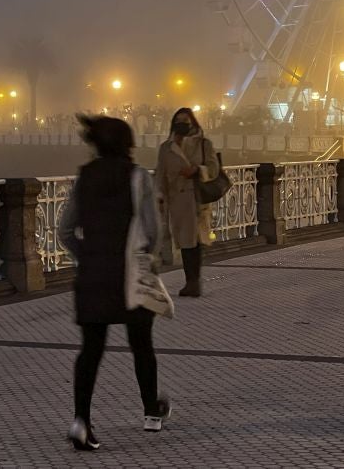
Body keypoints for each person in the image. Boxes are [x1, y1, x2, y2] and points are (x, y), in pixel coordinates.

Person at [59, 115, 171, 451]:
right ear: (127, 143)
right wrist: (148, 258)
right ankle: (151, 412)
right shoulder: (138, 178)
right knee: (141, 345)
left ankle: (81, 421)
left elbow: (64, 230)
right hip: (131, 274)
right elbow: (153, 231)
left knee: (90, 350)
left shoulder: (85, 177)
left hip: (93, 275)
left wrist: (88, 255)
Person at [155, 108, 219, 296]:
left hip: (196, 199)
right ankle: (189, 281)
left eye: (186, 120)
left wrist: (197, 170)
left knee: (195, 241)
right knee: (184, 242)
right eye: (179, 120)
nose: (182, 123)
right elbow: (160, 175)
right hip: (176, 200)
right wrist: (159, 197)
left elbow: (214, 169)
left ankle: (194, 281)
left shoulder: (203, 144)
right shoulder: (166, 148)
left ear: (193, 122)